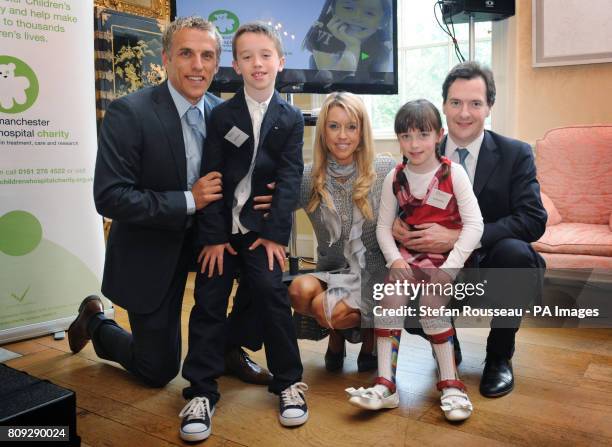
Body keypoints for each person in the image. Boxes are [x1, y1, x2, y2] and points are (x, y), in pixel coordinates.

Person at [67, 13, 270, 430]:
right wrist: (187, 201)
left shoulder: (227, 115)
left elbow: (237, 182)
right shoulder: (130, 113)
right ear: (166, 58)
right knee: (156, 370)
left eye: (208, 56)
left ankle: (227, 350)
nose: (198, 65)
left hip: (210, 240)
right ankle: (97, 323)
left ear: (218, 63)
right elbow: (109, 196)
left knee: (264, 263)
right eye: (187, 54)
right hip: (151, 249)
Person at [181, 23, 307, 442]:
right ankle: (200, 390)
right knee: (209, 298)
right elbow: (212, 178)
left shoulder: (290, 118)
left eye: (266, 55)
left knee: (272, 293)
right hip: (222, 231)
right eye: (248, 56)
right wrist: (214, 238)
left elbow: (289, 179)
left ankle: (289, 382)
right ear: (236, 66)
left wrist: (274, 236)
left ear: (280, 62)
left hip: (261, 233)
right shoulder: (221, 115)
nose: (258, 63)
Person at [393, 61, 547, 398]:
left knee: (516, 255)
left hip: (492, 263)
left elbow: (534, 219)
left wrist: (460, 237)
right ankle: (445, 339)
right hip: (438, 265)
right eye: (456, 103)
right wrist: (397, 224)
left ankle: (499, 356)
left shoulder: (515, 154)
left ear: (489, 107)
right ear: (444, 105)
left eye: (475, 103)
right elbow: (404, 204)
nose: (464, 113)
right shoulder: (419, 152)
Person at [346, 99, 483, 421]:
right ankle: (386, 383)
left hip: (445, 257)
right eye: (406, 137)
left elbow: (476, 225)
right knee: (388, 299)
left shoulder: (454, 173)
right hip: (408, 256)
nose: (414, 144)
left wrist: (449, 270)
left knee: (431, 305)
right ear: (398, 140)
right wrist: (394, 260)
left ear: (439, 135)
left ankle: (450, 382)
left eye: (422, 135)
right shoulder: (396, 177)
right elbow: (383, 227)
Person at [286, 92, 395, 372]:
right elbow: (277, 208)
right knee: (298, 290)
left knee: (325, 306)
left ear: (362, 131)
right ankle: (336, 337)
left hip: (373, 274)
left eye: (351, 126)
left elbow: (410, 207)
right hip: (332, 270)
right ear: (323, 131)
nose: (342, 135)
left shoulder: (384, 169)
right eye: (333, 126)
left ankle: (368, 340)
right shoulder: (309, 177)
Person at [303, 0, 392, 73]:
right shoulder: (321, 36)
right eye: (348, 8)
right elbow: (331, 81)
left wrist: (353, 45)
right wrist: (352, 45)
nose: (357, 17)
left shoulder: (381, 51)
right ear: (333, 10)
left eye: (369, 13)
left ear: (382, 21)